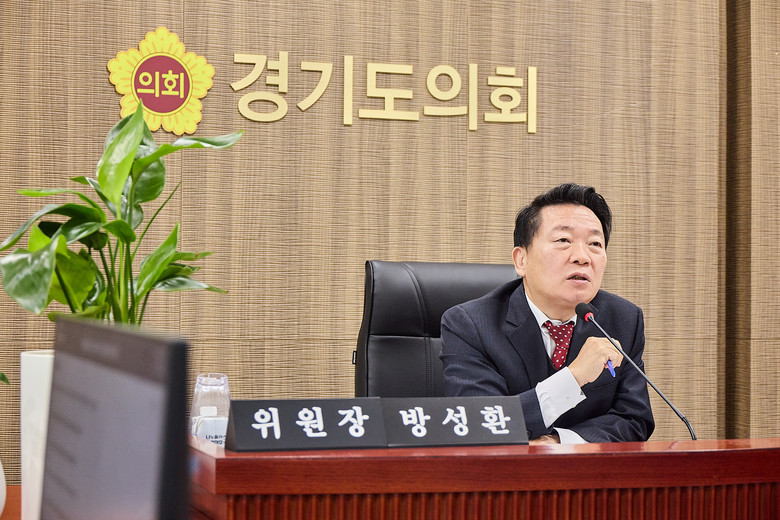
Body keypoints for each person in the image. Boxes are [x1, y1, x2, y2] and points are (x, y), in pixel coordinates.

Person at [440, 183, 654, 444]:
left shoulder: (623, 319)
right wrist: (573, 378)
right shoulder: (470, 324)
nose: (582, 257)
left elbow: (634, 419)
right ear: (521, 260)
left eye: (595, 244)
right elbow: (482, 423)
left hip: (589, 470)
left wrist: (558, 442)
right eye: (563, 240)